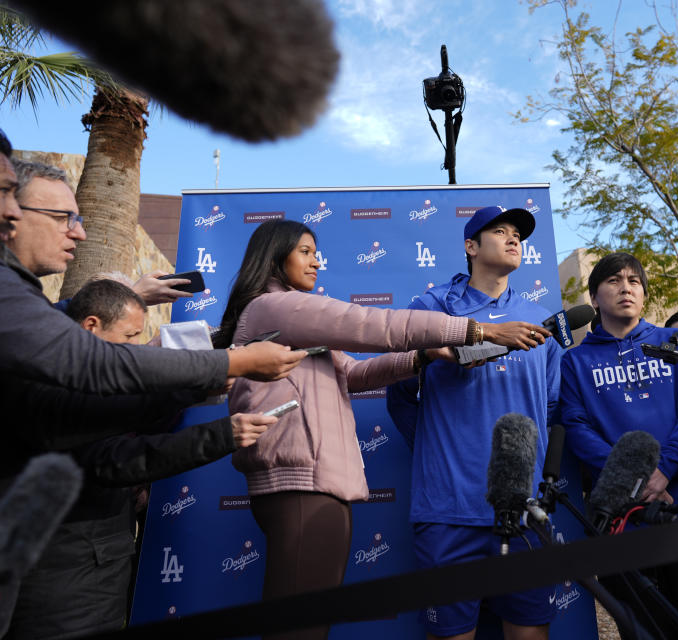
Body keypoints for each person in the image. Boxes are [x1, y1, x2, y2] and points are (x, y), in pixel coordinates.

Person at [214, 218, 549, 640]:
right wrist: (477, 329)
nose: (317, 262)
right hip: (302, 488)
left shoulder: (287, 318)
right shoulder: (274, 306)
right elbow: (377, 326)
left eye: (316, 252)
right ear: (273, 256)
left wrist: (424, 357)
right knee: (299, 629)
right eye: (305, 251)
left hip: (314, 487)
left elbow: (353, 376)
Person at [5, 279, 277, 639]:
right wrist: (221, 433)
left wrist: (193, 388)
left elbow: (137, 424)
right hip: (68, 580)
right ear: (90, 327)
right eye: (130, 338)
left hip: (88, 566)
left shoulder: (71, 377)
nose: (138, 349)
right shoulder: (61, 392)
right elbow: (112, 460)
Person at [0, 136, 305, 399]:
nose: (79, 233)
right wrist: (231, 363)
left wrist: (131, 295)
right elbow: (92, 362)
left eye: (77, 220)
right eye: (62, 217)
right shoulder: (8, 292)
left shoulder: (22, 298)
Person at [386, 205, 561, 640]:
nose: (513, 238)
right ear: (470, 246)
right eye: (499, 231)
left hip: (523, 511)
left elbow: (552, 406)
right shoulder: (432, 307)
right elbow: (400, 393)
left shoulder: (540, 320)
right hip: (449, 512)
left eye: (518, 233)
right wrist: (440, 454)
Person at [559, 253, 678, 640]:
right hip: (623, 522)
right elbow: (576, 427)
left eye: (634, 281)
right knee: (645, 630)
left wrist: (664, 470)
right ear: (594, 298)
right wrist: (632, 477)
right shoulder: (574, 362)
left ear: (643, 295)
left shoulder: (676, 342)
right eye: (613, 280)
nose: (625, 287)